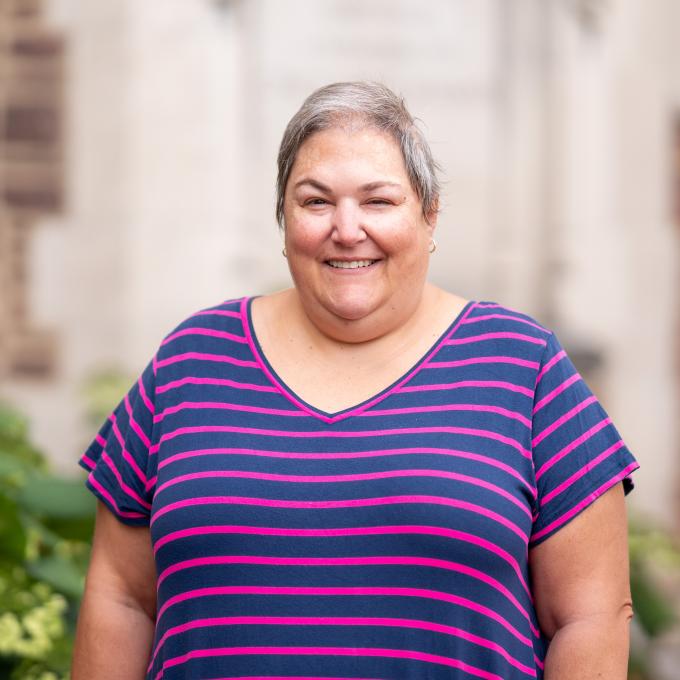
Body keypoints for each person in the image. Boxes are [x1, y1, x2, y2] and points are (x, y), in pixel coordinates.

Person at [72, 81, 638, 680]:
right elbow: (122, 596)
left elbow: (593, 615)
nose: (346, 229)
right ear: (283, 217)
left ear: (429, 213)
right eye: (316, 201)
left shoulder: (523, 365)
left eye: (378, 201)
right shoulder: (192, 359)